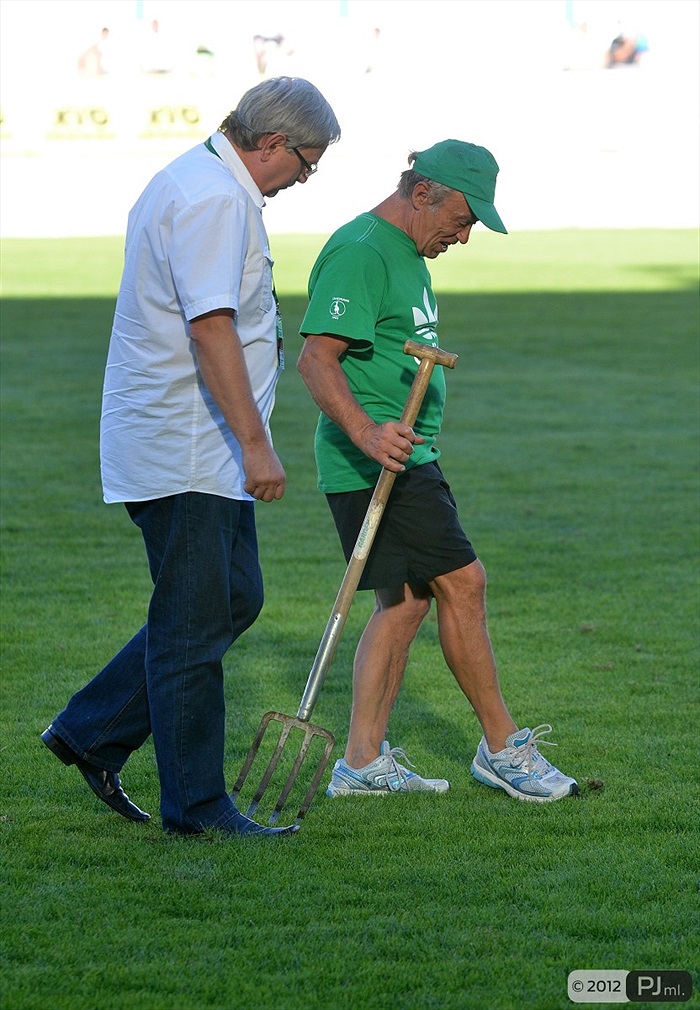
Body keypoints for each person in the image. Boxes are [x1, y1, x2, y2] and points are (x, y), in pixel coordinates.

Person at [41, 77, 341, 837]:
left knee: (232, 599)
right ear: (272, 143)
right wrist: (255, 444)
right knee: (191, 627)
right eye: (307, 162)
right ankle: (199, 810)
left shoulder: (202, 180)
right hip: (188, 444)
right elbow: (211, 328)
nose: (306, 178)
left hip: (195, 445)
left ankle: (91, 731)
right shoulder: (213, 197)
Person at [297, 140, 578, 803]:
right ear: (423, 192)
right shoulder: (363, 250)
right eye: (463, 218)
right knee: (464, 582)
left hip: (406, 452)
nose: (465, 235)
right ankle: (503, 747)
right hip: (375, 458)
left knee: (407, 602)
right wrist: (367, 432)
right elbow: (316, 359)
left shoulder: (407, 252)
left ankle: (362, 761)